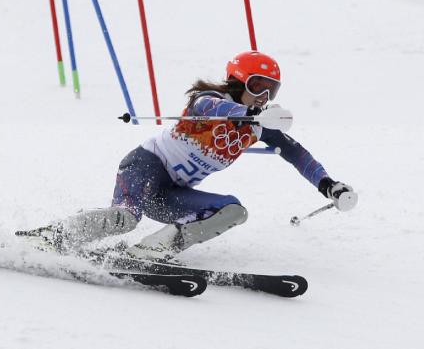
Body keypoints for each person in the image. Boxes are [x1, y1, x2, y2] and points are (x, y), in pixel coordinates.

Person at [23, 51, 357, 261]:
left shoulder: (259, 124)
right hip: (145, 166)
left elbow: (297, 154)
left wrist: (329, 185)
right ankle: (53, 235)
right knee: (126, 218)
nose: (264, 97)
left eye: (272, 91)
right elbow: (211, 106)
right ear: (238, 81)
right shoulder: (208, 100)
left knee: (233, 211)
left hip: (171, 195)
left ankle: (150, 251)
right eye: (258, 87)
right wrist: (248, 113)